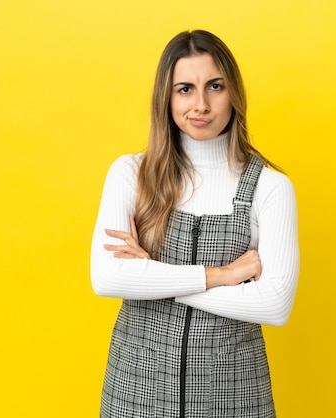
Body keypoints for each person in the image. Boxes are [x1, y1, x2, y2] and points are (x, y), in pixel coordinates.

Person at [90, 29, 299, 418]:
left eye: (215, 86)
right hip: (136, 388)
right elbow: (107, 278)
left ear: (233, 92)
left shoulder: (271, 188)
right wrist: (223, 275)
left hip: (235, 393)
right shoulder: (130, 174)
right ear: (165, 99)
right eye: (184, 89)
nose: (200, 104)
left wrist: (151, 276)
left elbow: (274, 304)